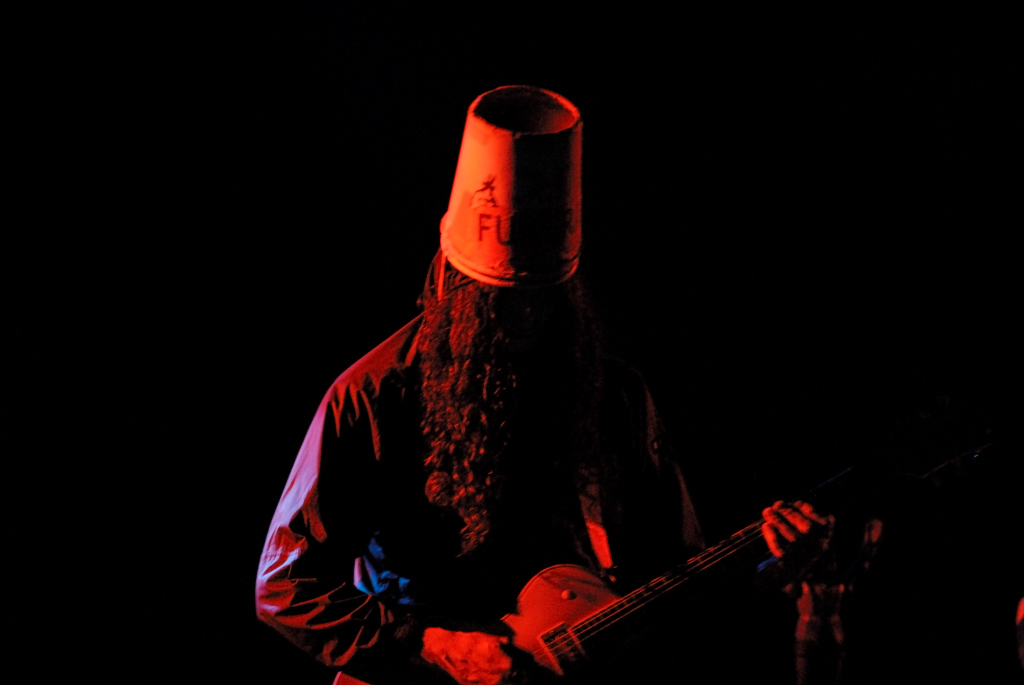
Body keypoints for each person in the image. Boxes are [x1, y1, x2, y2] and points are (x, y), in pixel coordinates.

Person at [256, 86, 833, 685]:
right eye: (501, 300)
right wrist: (433, 646)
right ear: (456, 288)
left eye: (546, 294)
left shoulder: (613, 394)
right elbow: (285, 585)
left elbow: (676, 583)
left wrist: (770, 570)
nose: (528, 313)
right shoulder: (376, 395)